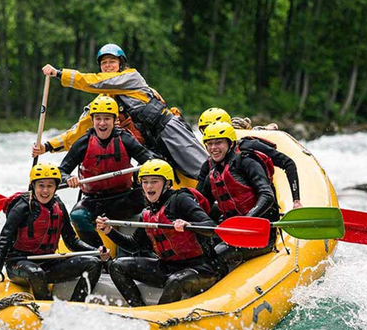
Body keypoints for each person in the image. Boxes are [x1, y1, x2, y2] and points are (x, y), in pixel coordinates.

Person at [34, 43, 207, 181]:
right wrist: (48, 146)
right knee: (155, 178)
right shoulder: (104, 102)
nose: (108, 66)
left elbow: (92, 82)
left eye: (112, 62)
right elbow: (80, 129)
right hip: (148, 145)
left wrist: (59, 74)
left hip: (168, 129)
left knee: (202, 169)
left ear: (121, 64)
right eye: (104, 63)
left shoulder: (131, 77)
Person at [95, 159, 225, 307]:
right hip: (168, 267)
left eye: (154, 181)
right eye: (145, 182)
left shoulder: (181, 200)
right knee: (117, 265)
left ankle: (159, 321)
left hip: (202, 267)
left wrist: (190, 225)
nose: (149, 186)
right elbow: (133, 245)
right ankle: (139, 310)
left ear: (167, 183)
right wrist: (109, 231)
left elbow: (211, 227)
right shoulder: (147, 212)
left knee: (175, 281)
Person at [0, 163, 106, 302]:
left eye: (50, 186)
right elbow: (2, 245)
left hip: (48, 263)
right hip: (19, 264)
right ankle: (47, 311)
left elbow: (71, 241)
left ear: (56, 187)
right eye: (41, 185)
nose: (45, 190)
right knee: (36, 272)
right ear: (33, 186)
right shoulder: (22, 207)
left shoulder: (58, 205)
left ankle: (76, 306)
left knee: (94, 263)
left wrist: (96, 250)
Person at [197, 121, 301, 270]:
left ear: (230, 144)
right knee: (203, 249)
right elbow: (200, 204)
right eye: (210, 144)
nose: (213, 148)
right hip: (233, 230)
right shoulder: (213, 173)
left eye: (218, 143)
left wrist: (247, 220)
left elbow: (267, 195)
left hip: (259, 232)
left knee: (215, 254)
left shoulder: (247, 161)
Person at [58, 95, 154, 248]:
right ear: (93, 120)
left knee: (148, 211)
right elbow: (60, 172)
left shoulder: (126, 139)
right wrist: (68, 178)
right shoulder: (83, 143)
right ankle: (99, 255)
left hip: (125, 198)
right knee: (77, 216)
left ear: (115, 120)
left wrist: (144, 174)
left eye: (107, 119)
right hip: (95, 201)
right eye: (98, 119)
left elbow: (150, 162)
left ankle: (133, 255)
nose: (102, 123)